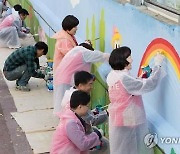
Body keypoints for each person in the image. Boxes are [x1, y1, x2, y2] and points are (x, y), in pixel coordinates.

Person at [106, 46, 165, 154]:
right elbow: (149, 85)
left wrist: (143, 76)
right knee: (132, 149)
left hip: (119, 118)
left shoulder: (113, 74)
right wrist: (158, 65)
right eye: (129, 57)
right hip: (128, 119)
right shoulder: (124, 78)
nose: (132, 60)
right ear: (123, 61)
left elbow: (131, 87)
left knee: (122, 149)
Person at [53, 42, 109, 114]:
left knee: (64, 104)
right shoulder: (84, 53)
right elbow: (100, 56)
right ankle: (66, 120)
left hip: (62, 78)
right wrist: (112, 57)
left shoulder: (76, 51)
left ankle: (65, 119)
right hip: (65, 81)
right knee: (67, 106)